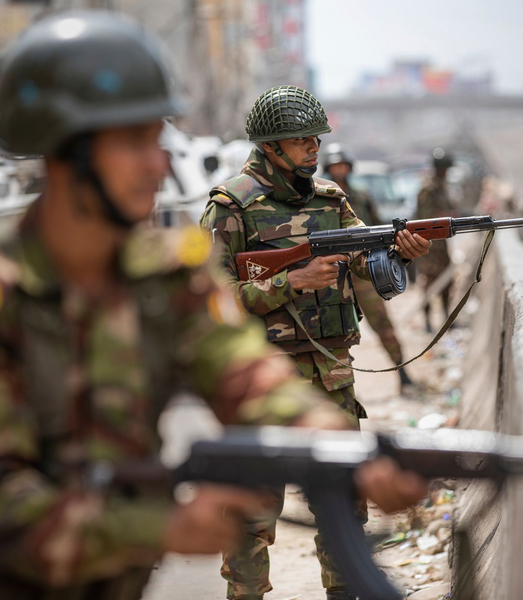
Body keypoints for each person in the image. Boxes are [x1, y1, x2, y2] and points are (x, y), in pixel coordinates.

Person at [0, 14, 426, 600]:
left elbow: (246, 369)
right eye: (133, 144)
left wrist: (332, 443)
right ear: (68, 154)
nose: (158, 165)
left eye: (156, 141)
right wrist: (162, 526)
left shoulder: (164, 273)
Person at [200, 85, 431, 600]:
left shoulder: (331, 200)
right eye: (301, 140)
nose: (314, 148)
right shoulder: (231, 208)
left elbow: (369, 258)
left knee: (345, 504)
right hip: (260, 382)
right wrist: (290, 282)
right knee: (250, 515)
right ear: (271, 146)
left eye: (316, 139)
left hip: (331, 377)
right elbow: (208, 307)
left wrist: (402, 251)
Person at [321, 142, 415, 393]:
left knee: (381, 322)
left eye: (343, 166)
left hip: (361, 268)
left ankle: (402, 371)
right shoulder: (322, 199)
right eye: (335, 166)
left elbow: (376, 228)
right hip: (330, 272)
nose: (339, 170)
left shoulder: (360, 196)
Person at [416, 148, 456, 333]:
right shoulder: (429, 189)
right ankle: (427, 322)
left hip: (441, 244)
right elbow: (424, 218)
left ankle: (448, 317)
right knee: (430, 283)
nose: (444, 172)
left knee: (447, 282)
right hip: (430, 245)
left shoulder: (442, 186)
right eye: (442, 168)